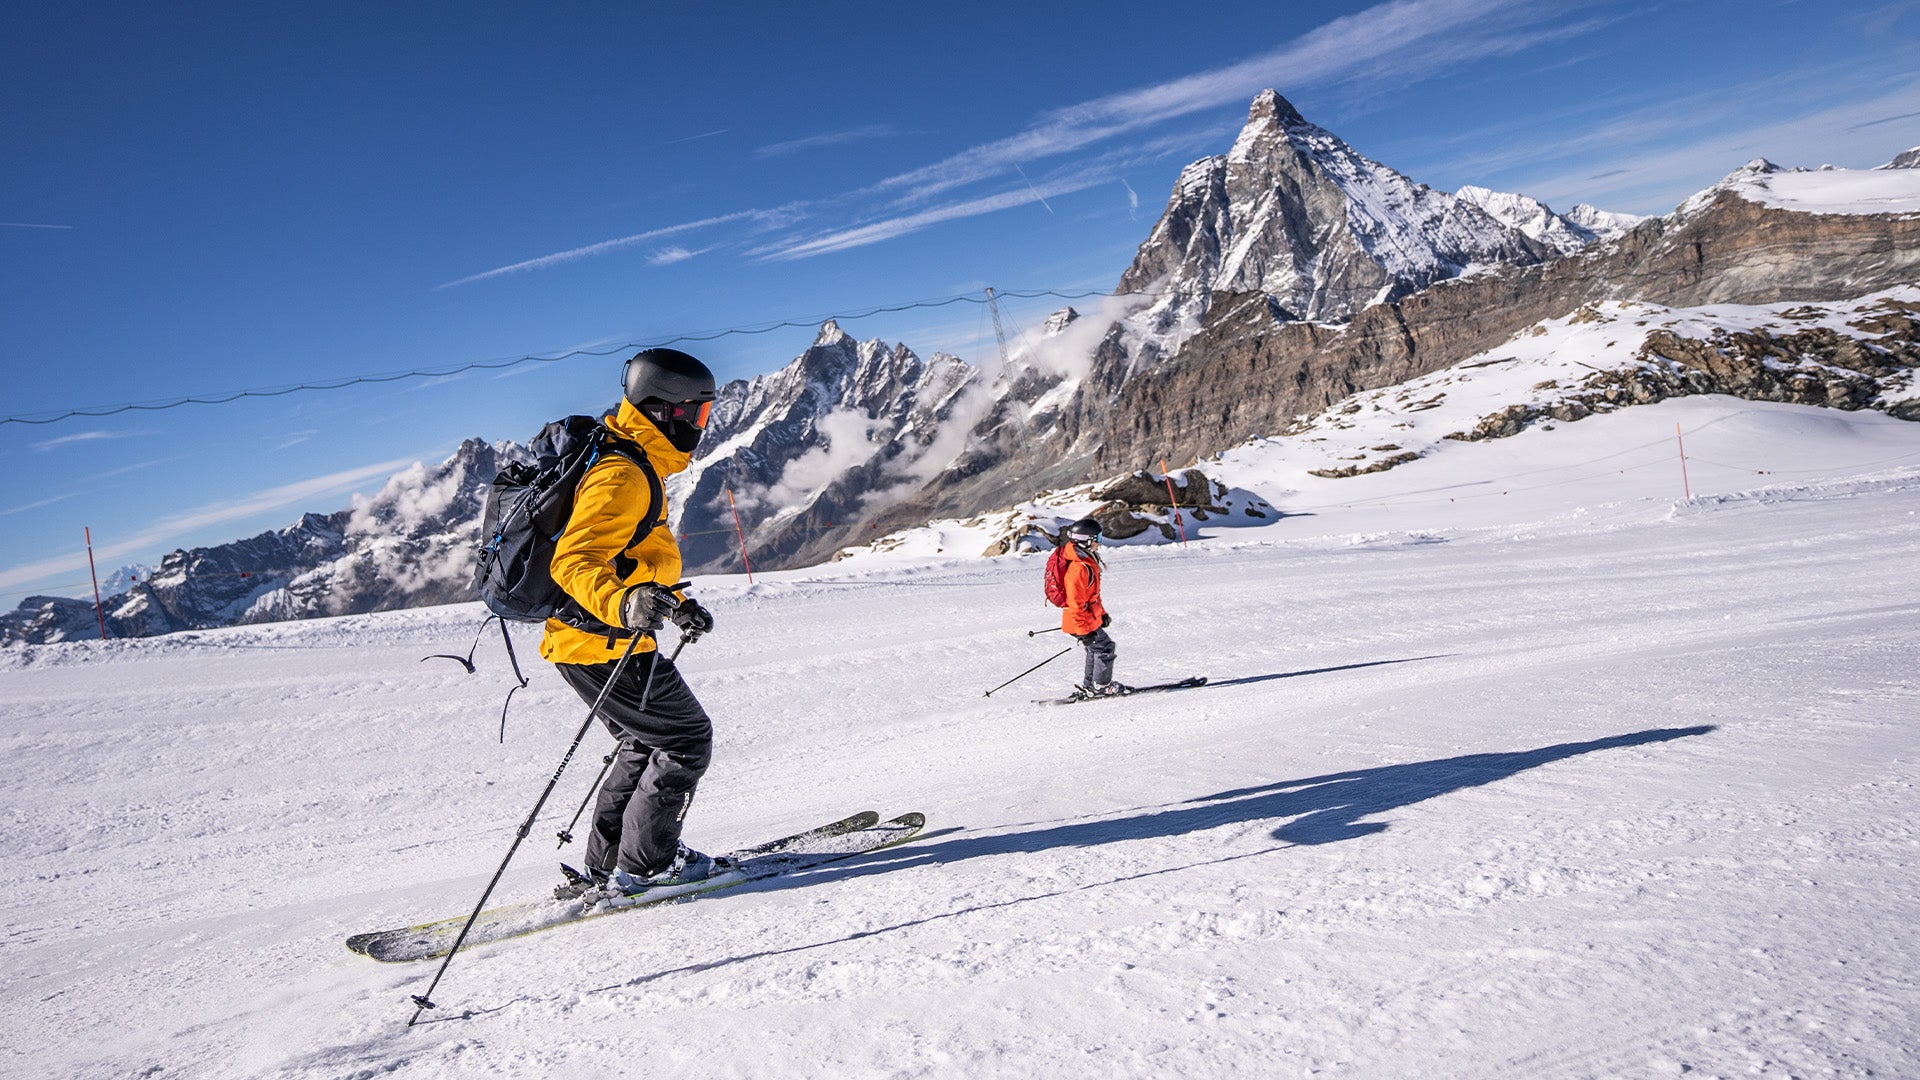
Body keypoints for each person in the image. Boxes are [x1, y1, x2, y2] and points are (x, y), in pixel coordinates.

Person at [544, 347, 724, 898]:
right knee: (686, 740)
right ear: (663, 410)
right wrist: (625, 607)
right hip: (602, 643)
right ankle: (647, 866)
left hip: (590, 642)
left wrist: (671, 602)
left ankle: (610, 866)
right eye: (696, 415)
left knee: (641, 743)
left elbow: (629, 557)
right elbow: (573, 562)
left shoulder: (632, 461)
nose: (700, 426)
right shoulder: (622, 473)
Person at [1059, 518, 1132, 699]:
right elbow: (1076, 602)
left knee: (1095, 648)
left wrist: (1102, 614)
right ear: (1086, 540)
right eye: (1097, 538)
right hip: (1080, 621)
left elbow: (1092, 597)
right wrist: (1084, 631)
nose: (1099, 542)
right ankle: (1102, 685)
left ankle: (1090, 685)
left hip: (1086, 619)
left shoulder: (1086, 561)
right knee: (1104, 647)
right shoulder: (1079, 568)